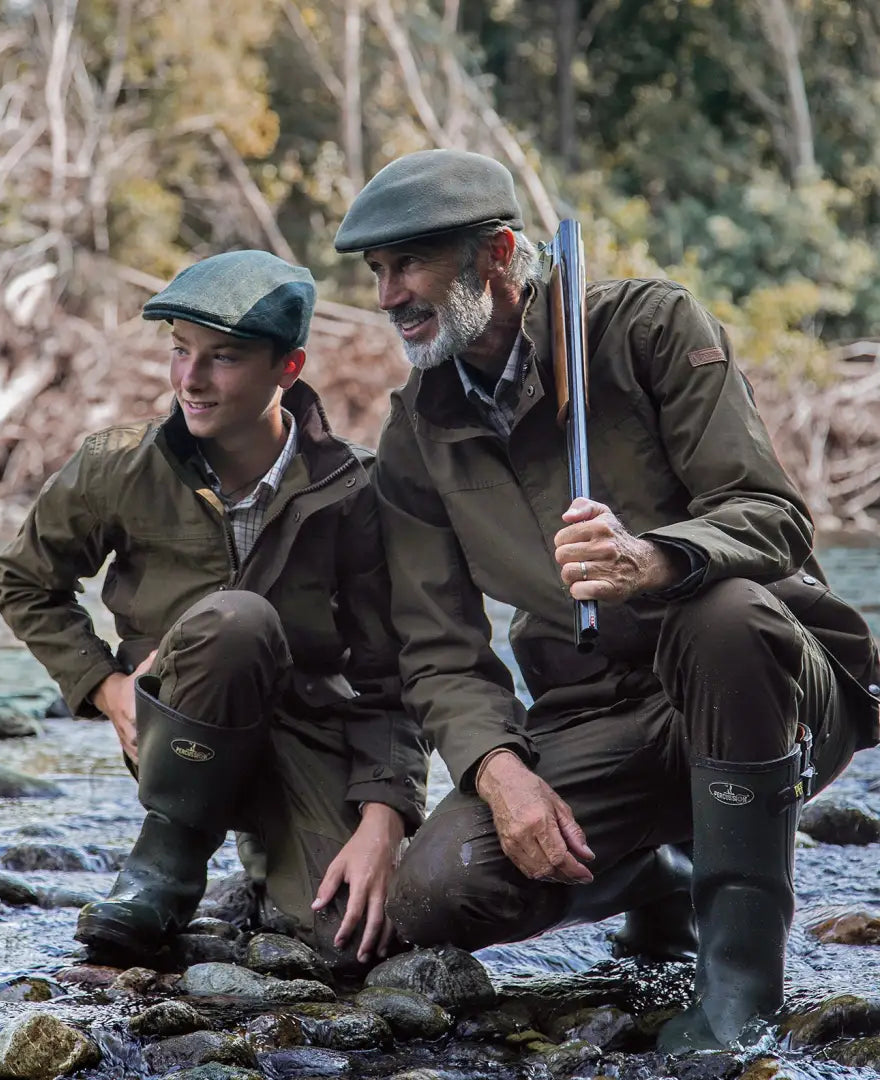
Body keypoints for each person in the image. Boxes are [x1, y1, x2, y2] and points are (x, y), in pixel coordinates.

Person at [333, 149, 880, 1050]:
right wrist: (498, 774)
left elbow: (772, 516)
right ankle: (661, 869)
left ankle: (742, 989)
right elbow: (437, 648)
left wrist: (656, 559)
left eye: (411, 264)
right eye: (379, 271)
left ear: (500, 253)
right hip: (596, 718)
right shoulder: (416, 434)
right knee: (441, 888)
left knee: (723, 614)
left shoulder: (648, 330)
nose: (389, 294)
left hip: (775, 691)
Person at [0, 249, 428, 972]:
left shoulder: (355, 491)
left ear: (288, 368)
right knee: (237, 620)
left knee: (350, 947)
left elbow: (394, 673)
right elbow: (25, 583)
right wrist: (106, 687)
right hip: (178, 726)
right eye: (180, 352)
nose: (190, 380)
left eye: (222, 358)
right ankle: (166, 865)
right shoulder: (116, 466)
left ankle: (266, 869)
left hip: (305, 735)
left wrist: (385, 817)